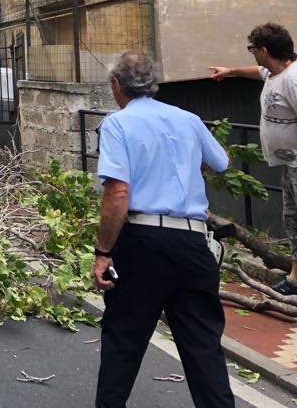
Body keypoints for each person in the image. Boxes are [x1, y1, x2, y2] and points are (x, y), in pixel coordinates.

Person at [93, 51, 233, 408]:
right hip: (191, 240)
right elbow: (221, 162)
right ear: (153, 84)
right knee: (203, 344)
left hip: (142, 240)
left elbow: (118, 192)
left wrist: (103, 252)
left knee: (124, 337)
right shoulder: (188, 119)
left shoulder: (117, 124)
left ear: (115, 85)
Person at [210, 22, 297, 294]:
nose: (252, 55)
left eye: (252, 49)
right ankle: (295, 275)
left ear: (263, 49)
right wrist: (231, 71)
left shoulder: (293, 79)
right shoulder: (273, 73)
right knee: (292, 217)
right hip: (287, 163)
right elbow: (257, 72)